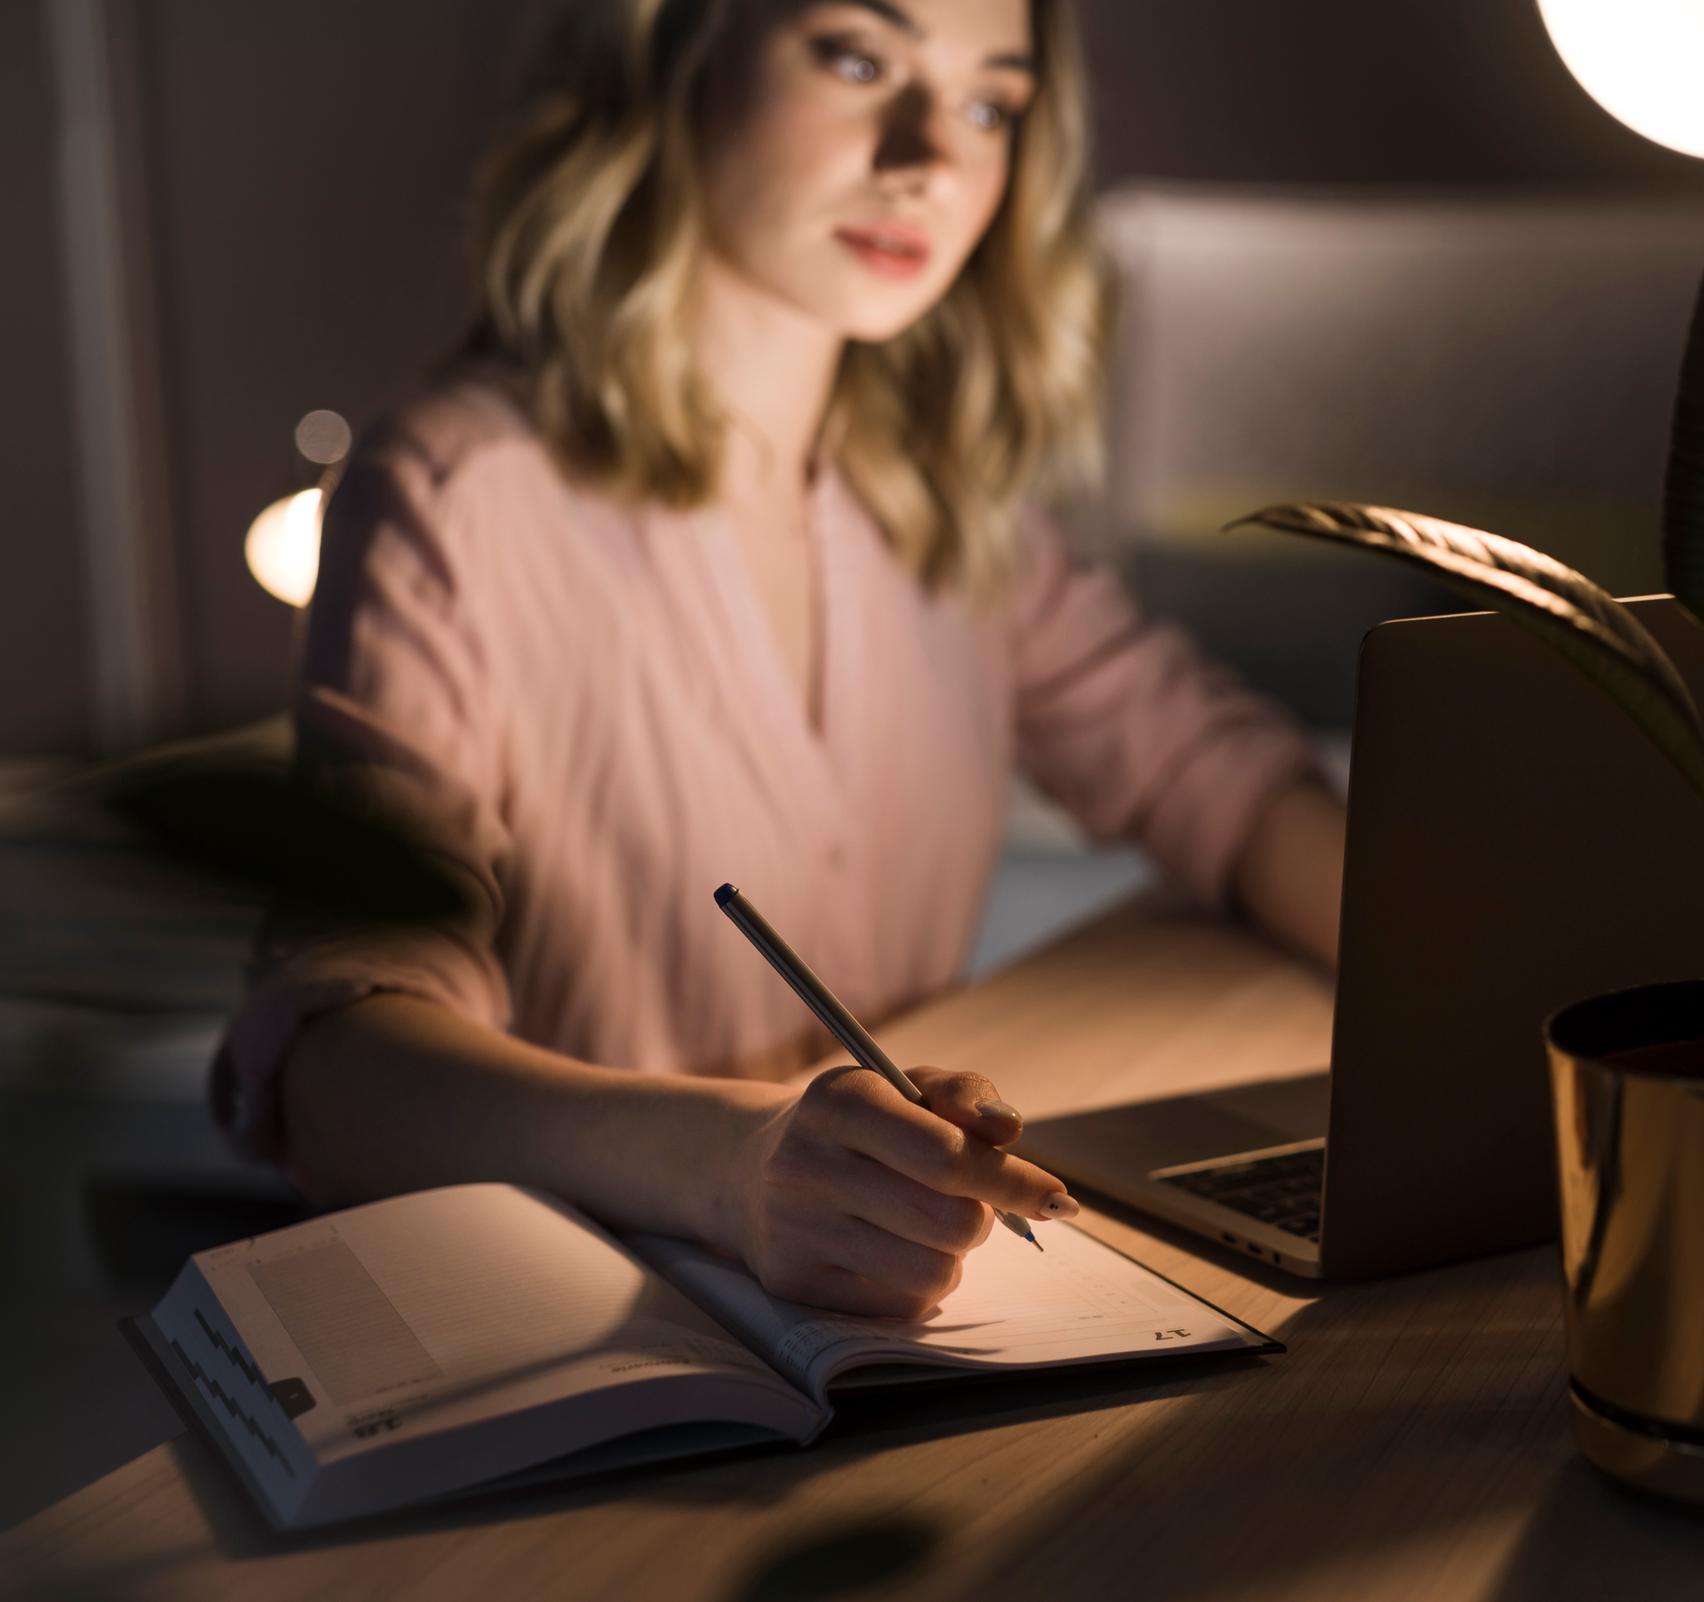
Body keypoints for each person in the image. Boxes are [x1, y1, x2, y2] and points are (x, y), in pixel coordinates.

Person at [211, 0, 1344, 1321]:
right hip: (620, 1342)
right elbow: (336, 1064)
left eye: (990, 101)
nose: (929, 154)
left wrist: (1495, 1001)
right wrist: (733, 1160)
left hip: (903, 1320)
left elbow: (1217, 775)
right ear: (674, 50)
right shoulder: (455, 490)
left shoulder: (937, 502)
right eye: (860, 59)